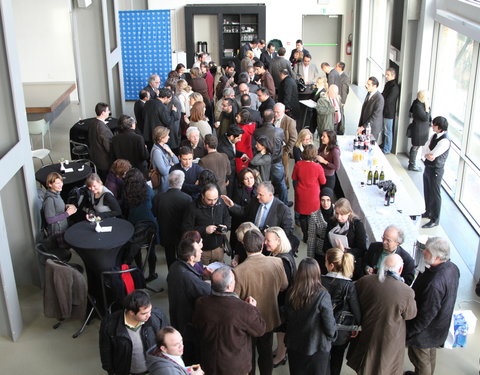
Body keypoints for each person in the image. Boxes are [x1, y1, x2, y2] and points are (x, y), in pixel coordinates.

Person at [346, 254, 417, 375]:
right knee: (384, 367)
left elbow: (352, 296)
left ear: (382, 267)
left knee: (366, 364)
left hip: (366, 331)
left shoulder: (365, 281)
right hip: (390, 338)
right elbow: (410, 314)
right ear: (400, 269)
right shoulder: (406, 291)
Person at [233, 229, 288, 375]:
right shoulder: (277, 262)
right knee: (266, 353)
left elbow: (234, 300)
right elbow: (284, 286)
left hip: (248, 323)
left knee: (249, 355)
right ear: (262, 245)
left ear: (244, 247)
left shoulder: (238, 271)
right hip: (269, 318)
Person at [193, 266, 266, 375]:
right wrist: (253, 308)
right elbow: (260, 329)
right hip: (235, 367)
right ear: (229, 286)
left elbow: (196, 324)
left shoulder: (201, 303)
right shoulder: (244, 309)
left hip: (209, 363)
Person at [406, 237, 460, 375]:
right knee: (430, 356)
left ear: (437, 257)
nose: (423, 252)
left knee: (421, 360)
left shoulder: (434, 283)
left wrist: (410, 331)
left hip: (424, 332)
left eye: (427, 251)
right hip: (439, 327)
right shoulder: (453, 268)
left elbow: (426, 314)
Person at [285, 258, 336, 375]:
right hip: (317, 347)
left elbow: (288, 316)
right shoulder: (323, 295)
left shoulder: (291, 292)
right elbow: (330, 328)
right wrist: (332, 336)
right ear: (317, 273)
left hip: (294, 345)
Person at [99, 289, 169, 375]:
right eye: (144, 313)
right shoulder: (110, 324)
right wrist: (110, 371)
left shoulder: (157, 316)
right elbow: (105, 350)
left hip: (154, 369)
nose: (149, 315)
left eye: (150, 310)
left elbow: (168, 339)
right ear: (131, 312)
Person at [166, 238, 211, 364]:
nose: (202, 251)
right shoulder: (188, 277)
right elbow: (209, 292)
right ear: (191, 258)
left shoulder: (175, 266)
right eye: (199, 250)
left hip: (178, 320)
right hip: (189, 326)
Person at [322, 248, 362, 375]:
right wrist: (356, 326)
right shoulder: (349, 286)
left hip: (321, 327)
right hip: (341, 331)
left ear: (331, 265)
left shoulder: (319, 280)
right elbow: (356, 309)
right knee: (337, 358)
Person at [264, 226, 297, 369]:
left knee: (282, 329)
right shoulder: (280, 254)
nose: (265, 243)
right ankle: (279, 351)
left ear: (278, 241)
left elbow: (284, 285)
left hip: (283, 302)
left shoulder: (282, 261)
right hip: (280, 300)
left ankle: (281, 356)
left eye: (268, 240)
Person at [223, 181, 294, 239]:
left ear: (270, 195)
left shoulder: (283, 209)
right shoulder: (255, 200)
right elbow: (244, 211)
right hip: (252, 239)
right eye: (257, 194)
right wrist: (232, 205)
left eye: (261, 195)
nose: (257, 196)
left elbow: (287, 231)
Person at [122, 168, 157, 281]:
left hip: (134, 226)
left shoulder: (126, 192)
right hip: (150, 225)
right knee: (151, 251)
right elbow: (154, 207)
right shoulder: (148, 190)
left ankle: (140, 270)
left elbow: (125, 210)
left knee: (135, 250)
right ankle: (152, 273)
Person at [182, 183, 231, 264]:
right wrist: (204, 230)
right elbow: (186, 229)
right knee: (204, 275)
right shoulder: (192, 208)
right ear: (202, 196)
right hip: (202, 252)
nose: (213, 202)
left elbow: (227, 217)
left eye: (215, 199)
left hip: (219, 248)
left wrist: (226, 226)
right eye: (209, 199)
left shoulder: (221, 202)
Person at [153, 170, 192, 268]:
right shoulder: (187, 199)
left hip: (165, 233)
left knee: (169, 257)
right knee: (182, 258)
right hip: (182, 234)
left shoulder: (158, 197)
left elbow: (154, 213)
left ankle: (171, 275)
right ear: (182, 182)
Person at [322, 198, 367, 279]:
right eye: (337, 213)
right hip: (334, 263)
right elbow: (325, 244)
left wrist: (345, 251)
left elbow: (362, 249)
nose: (339, 217)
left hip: (350, 265)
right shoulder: (332, 222)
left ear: (349, 213)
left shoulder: (357, 225)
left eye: (342, 214)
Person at [292, 144, 326, 242]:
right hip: (313, 195)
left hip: (301, 194)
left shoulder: (298, 164)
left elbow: (294, 178)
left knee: (302, 216)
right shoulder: (318, 167)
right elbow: (323, 181)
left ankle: (305, 235)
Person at [254, 110, 289, 205]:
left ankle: (265, 202)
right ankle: (284, 203)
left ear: (262, 119)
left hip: (263, 161)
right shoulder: (279, 131)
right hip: (276, 161)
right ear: (273, 119)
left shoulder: (257, 132)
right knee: (281, 183)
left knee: (265, 182)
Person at [421, 116, 451, 228]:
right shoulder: (434, 135)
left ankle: (435, 219)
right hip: (428, 167)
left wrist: (428, 154)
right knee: (427, 190)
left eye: (434, 125)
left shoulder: (445, 140)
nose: (432, 126)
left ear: (440, 128)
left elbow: (432, 155)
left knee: (435, 194)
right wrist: (427, 154)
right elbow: (425, 149)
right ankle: (428, 211)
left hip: (436, 170)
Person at [42, 172, 77, 249]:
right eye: (57, 183)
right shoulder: (49, 199)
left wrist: (67, 206)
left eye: (61, 182)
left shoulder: (57, 193)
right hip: (57, 232)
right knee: (63, 252)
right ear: (50, 184)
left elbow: (57, 208)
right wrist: (67, 214)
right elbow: (49, 220)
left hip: (62, 228)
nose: (61, 184)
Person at [273, 102, 298, 187]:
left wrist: (287, 150)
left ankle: (285, 186)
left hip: (283, 149)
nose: (276, 114)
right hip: (273, 148)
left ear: (283, 111)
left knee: (284, 170)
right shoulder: (272, 118)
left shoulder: (290, 122)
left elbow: (293, 138)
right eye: (274, 112)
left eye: (278, 112)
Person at [217, 125, 245, 195]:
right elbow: (222, 166)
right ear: (232, 136)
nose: (240, 140)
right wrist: (226, 178)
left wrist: (241, 154)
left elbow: (233, 151)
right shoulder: (222, 148)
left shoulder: (227, 138)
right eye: (238, 138)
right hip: (228, 176)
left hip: (232, 171)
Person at [408, 90, 432, 171]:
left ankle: (412, 163)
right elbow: (425, 117)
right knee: (415, 146)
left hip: (421, 129)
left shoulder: (418, 103)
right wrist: (427, 109)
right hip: (418, 130)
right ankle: (412, 164)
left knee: (417, 146)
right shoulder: (418, 105)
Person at [88, 102, 113, 180]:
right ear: (103, 113)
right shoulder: (102, 128)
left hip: (95, 158)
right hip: (104, 161)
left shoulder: (92, 122)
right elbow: (108, 147)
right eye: (107, 110)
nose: (109, 112)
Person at [151, 126, 179, 193]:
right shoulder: (156, 152)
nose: (169, 137)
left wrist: (171, 152)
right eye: (167, 135)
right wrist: (171, 165)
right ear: (160, 137)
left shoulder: (166, 146)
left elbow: (177, 162)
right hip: (163, 184)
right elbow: (163, 171)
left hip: (169, 180)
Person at [382, 68, 400, 154]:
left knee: (388, 131)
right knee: (384, 130)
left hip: (389, 113)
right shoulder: (388, 84)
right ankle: (384, 145)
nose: (386, 76)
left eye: (388, 75)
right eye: (386, 74)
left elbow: (389, 100)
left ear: (393, 76)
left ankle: (387, 149)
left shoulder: (394, 87)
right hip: (385, 111)